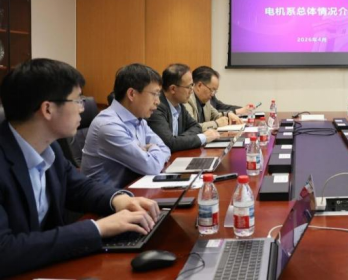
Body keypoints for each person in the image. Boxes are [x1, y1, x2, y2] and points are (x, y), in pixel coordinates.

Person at [0, 59, 161, 278]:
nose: (82, 108)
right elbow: (5, 251)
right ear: (47, 109)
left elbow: (79, 188)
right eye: (77, 100)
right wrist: (99, 228)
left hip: (45, 266)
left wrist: (120, 199)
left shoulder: (49, 148)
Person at [81, 64, 172, 188]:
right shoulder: (108, 125)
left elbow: (165, 149)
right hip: (107, 197)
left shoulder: (139, 120)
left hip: (132, 188)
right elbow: (152, 166)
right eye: (154, 94)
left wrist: (151, 150)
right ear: (132, 94)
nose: (158, 102)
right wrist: (153, 149)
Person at [147, 64, 219, 151]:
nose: (191, 91)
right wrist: (203, 137)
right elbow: (169, 144)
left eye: (192, 85)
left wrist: (178, 140)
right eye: (188, 87)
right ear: (173, 89)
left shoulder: (179, 105)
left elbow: (196, 127)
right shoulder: (156, 108)